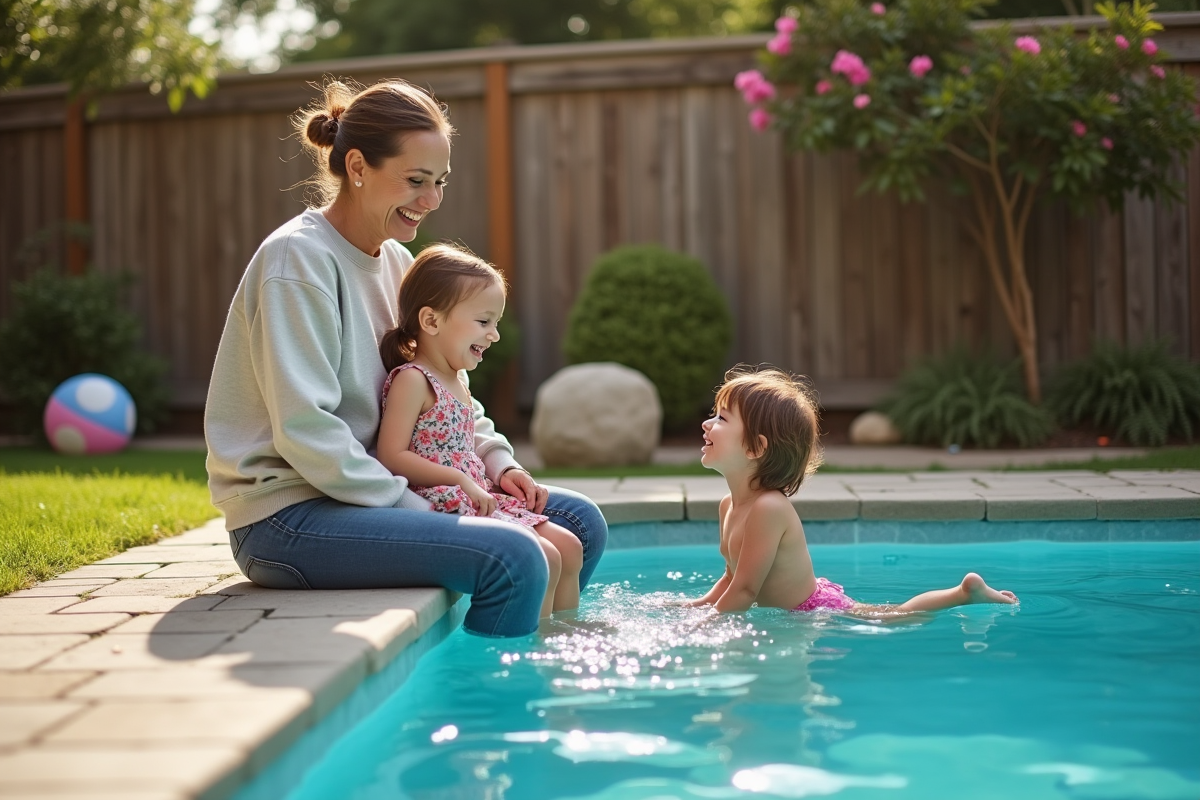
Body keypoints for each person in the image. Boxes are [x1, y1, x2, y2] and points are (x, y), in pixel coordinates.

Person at [204, 79, 606, 638]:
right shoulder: (298, 261)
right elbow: (305, 430)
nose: (432, 200)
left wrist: (498, 465)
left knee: (580, 522)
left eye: (439, 182)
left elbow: (445, 385)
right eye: (416, 181)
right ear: (358, 166)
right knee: (511, 556)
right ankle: (494, 706)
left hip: (380, 490)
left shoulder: (396, 260)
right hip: (288, 518)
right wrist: (425, 510)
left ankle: (538, 649)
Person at [687, 364, 1017, 615]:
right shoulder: (729, 505)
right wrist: (696, 607)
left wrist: (702, 628)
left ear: (755, 448)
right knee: (886, 615)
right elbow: (731, 579)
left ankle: (962, 594)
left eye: (722, 419)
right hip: (798, 606)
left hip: (814, 611)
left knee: (892, 617)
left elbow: (745, 591)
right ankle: (964, 593)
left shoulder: (768, 508)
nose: (707, 423)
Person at [376, 243, 582, 618]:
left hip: (478, 495)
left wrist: (505, 471)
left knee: (569, 546)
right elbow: (392, 456)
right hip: (445, 500)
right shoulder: (413, 380)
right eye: (484, 322)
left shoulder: (458, 380)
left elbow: (469, 443)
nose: (495, 335)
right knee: (546, 556)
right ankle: (534, 644)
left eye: (496, 323)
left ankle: (563, 639)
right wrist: (461, 479)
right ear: (432, 321)